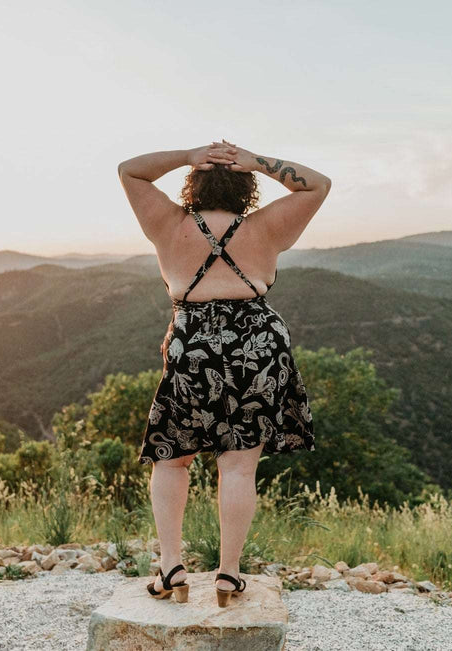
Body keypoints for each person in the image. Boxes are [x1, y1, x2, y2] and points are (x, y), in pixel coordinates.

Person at [117, 139, 331, 607]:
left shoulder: (168, 223)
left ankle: (171, 567)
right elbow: (319, 184)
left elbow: (130, 170)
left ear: (195, 184)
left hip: (191, 346)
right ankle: (229, 575)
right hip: (257, 345)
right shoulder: (266, 227)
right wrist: (258, 161)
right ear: (246, 188)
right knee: (237, 466)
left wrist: (187, 154)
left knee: (171, 459)